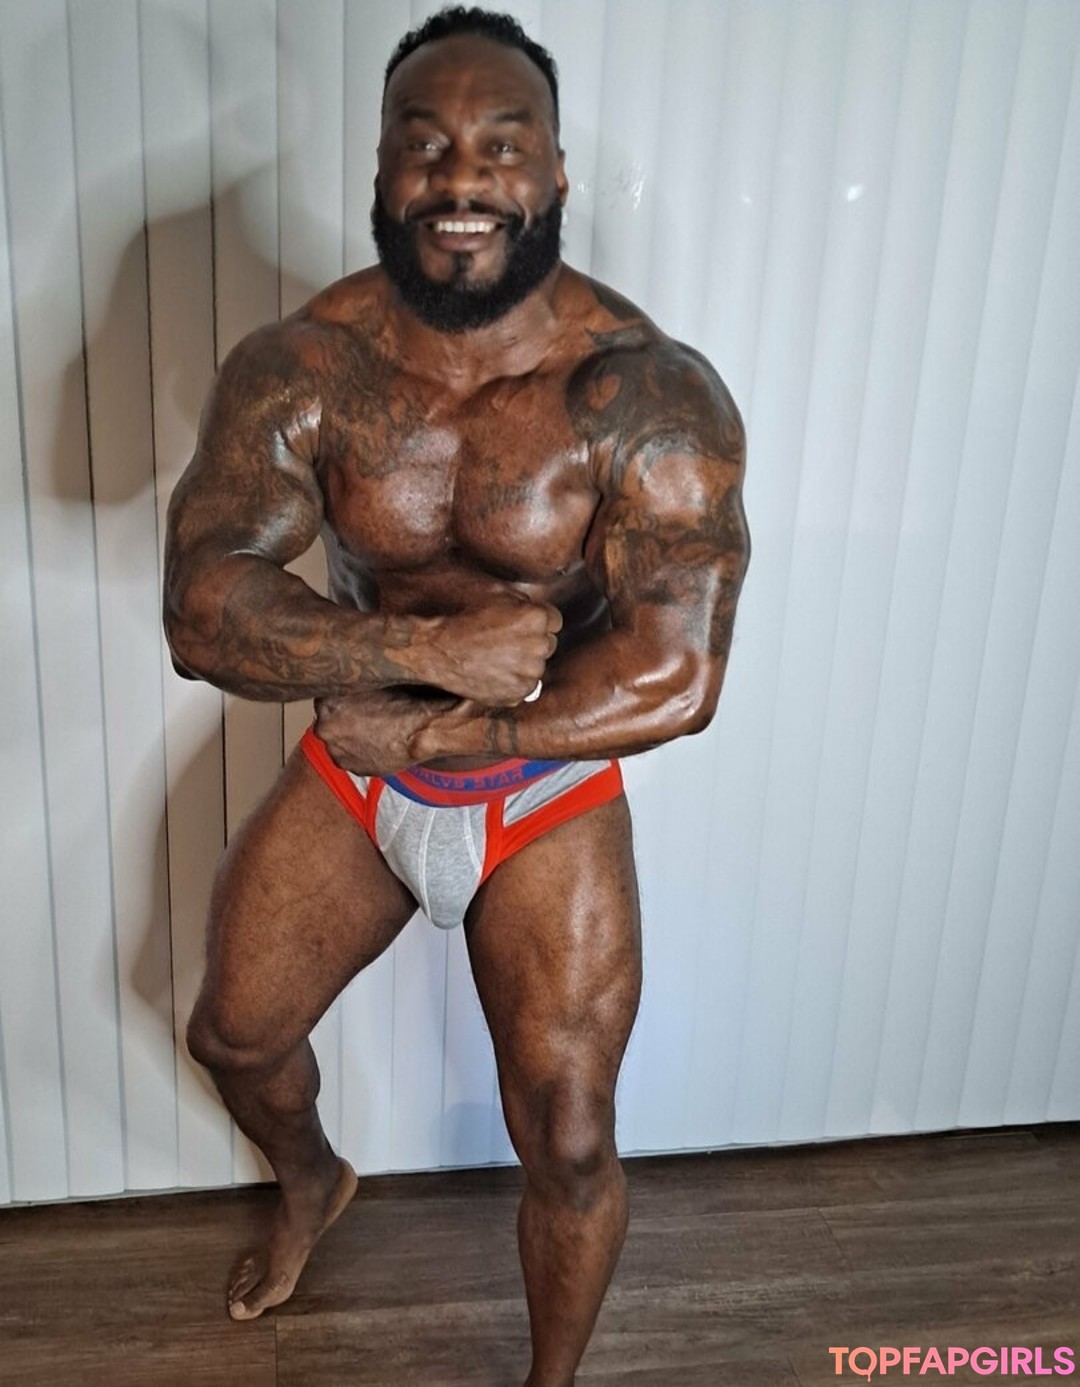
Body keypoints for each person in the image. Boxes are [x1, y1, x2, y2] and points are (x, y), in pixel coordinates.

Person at [163, 7, 750, 1383]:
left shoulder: (642, 391)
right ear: (382, 169)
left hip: (544, 789)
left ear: (555, 171)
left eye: (501, 143)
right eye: (424, 145)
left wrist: (451, 723)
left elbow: (677, 673)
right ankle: (315, 1178)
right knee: (236, 1038)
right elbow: (201, 607)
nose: (462, 176)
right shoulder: (304, 367)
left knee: (571, 1138)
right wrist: (423, 653)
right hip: (366, 767)